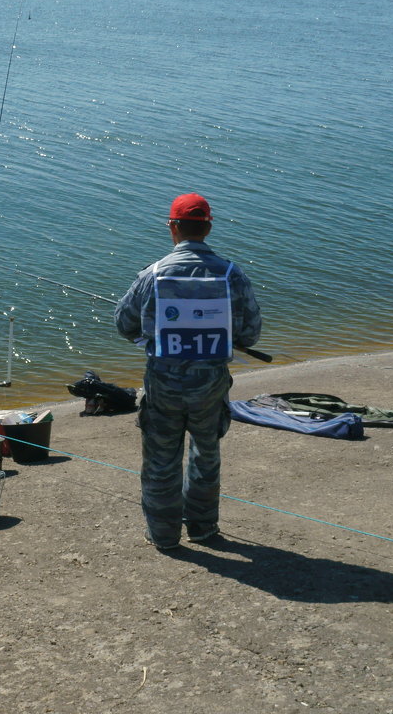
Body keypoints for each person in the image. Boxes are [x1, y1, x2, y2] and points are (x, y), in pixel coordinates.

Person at [114, 193, 261, 550]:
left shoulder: (153, 274)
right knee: (206, 454)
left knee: (161, 459)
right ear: (208, 227)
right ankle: (202, 528)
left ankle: (164, 536)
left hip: (163, 383)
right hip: (210, 383)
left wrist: (149, 336)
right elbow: (251, 334)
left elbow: (123, 324)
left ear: (173, 228)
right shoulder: (231, 274)